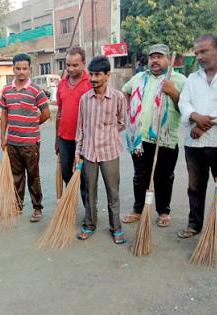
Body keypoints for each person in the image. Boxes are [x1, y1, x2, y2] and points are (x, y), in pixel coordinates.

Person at [177, 34, 217, 256]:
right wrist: (193, 115)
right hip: (194, 145)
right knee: (195, 187)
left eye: (203, 51)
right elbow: (183, 102)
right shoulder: (192, 79)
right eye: (196, 53)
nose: (199, 56)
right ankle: (194, 224)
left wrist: (201, 126)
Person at [122, 44, 186, 227]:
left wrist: (172, 91)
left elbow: (186, 108)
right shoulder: (139, 77)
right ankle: (138, 209)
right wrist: (130, 109)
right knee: (140, 176)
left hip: (166, 139)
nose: (155, 60)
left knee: (164, 177)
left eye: (159, 56)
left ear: (167, 59)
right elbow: (125, 91)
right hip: (139, 140)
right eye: (152, 57)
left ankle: (163, 211)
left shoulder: (179, 79)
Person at [74, 56, 127, 243]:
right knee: (90, 192)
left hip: (110, 153)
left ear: (107, 75)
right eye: (92, 75)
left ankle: (116, 228)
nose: (94, 79)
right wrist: (78, 153)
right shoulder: (84, 100)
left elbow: (122, 123)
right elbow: (80, 128)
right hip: (88, 153)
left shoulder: (118, 98)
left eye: (98, 75)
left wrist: (107, 135)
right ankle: (89, 225)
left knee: (113, 192)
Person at [0, 53, 50, 222]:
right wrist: (3, 137)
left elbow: (46, 113)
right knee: (16, 176)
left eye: (24, 69)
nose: (21, 72)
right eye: (18, 68)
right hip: (12, 142)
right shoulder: (6, 89)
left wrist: (32, 126)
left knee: (33, 176)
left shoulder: (36, 90)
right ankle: (18, 206)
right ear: (13, 69)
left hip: (30, 143)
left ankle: (37, 208)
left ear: (30, 70)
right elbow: (4, 113)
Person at [55, 46, 92, 205]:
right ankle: (69, 208)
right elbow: (59, 112)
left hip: (84, 140)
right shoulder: (62, 84)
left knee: (84, 177)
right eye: (68, 65)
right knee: (66, 174)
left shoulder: (90, 83)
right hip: (64, 138)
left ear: (84, 63)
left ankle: (89, 214)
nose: (70, 69)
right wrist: (57, 138)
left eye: (75, 65)